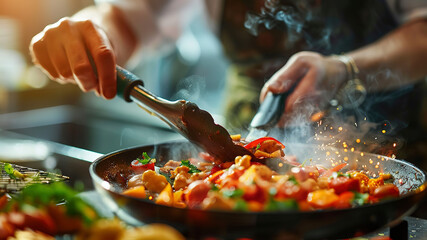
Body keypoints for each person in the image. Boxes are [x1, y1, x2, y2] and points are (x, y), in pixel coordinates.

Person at [30, 0, 427, 158]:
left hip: (391, 146)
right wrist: (88, 31)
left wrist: (345, 70)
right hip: (238, 134)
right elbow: (127, 19)